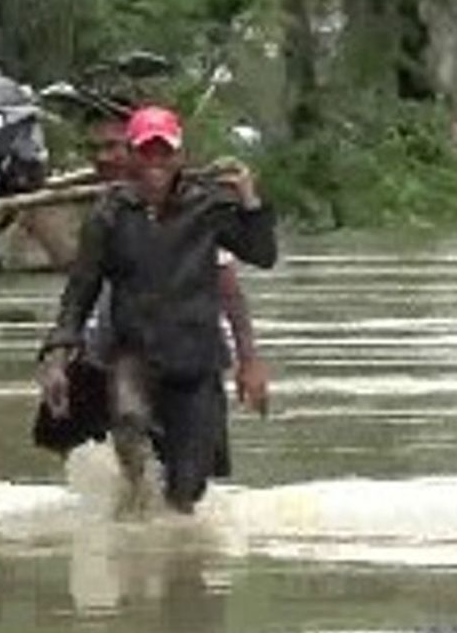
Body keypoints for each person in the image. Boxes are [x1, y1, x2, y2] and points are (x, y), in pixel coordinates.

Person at [36, 106, 277, 515]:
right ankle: (134, 505)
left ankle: (170, 546)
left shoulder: (209, 207)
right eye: (145, 153)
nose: (155, 164)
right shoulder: (109, 215)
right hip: (135, 357)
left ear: (180, 158)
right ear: (131, 156)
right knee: (129, 423)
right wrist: (58, 358)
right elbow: (80, 292)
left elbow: (262, 255)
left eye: (164, 153)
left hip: (196, 363)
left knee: (186, 492)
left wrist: (250, 201)